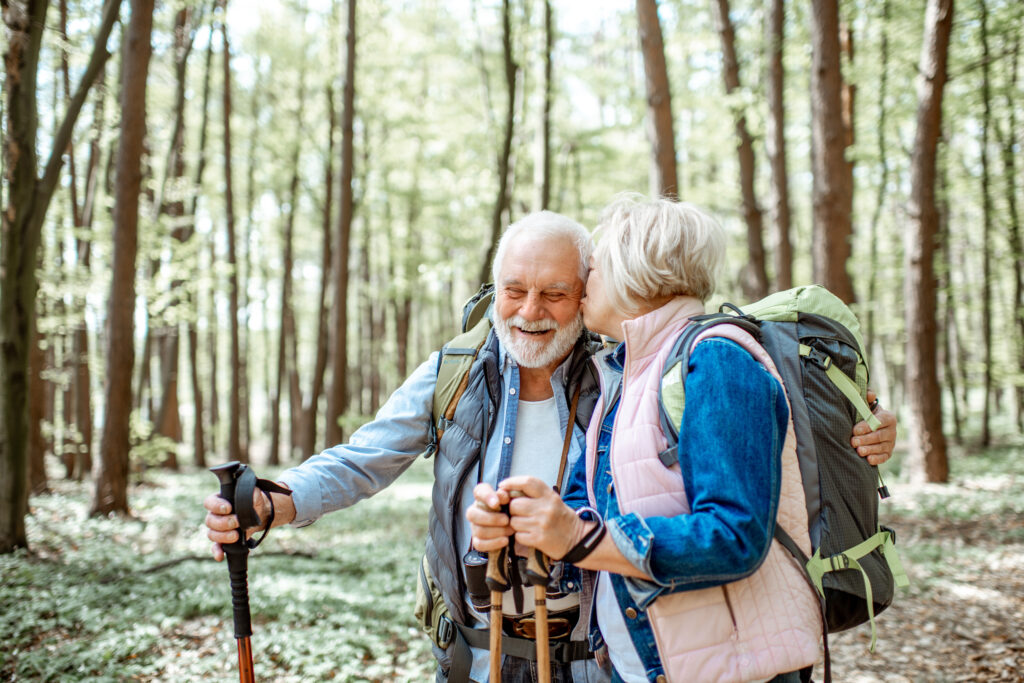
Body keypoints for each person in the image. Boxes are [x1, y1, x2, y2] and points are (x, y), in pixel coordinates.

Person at [205, 210, 898, 683]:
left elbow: (734, 447)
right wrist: (279, 501)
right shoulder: (458, 373)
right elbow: (363, 457)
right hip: (476, 653)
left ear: (590, 291)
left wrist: (858, 428)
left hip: (599, 654)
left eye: (555, 293)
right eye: (514, 290)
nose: (530, 310)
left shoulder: (629, 371)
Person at [468, 196, 863, 682]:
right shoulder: (624, 374)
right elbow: (584, 517)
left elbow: (734, 535)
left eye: (595, 267)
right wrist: (523, 522)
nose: (584, 281)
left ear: (634, 271)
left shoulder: (715, 359)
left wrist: (577, 536)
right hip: (646, 667)